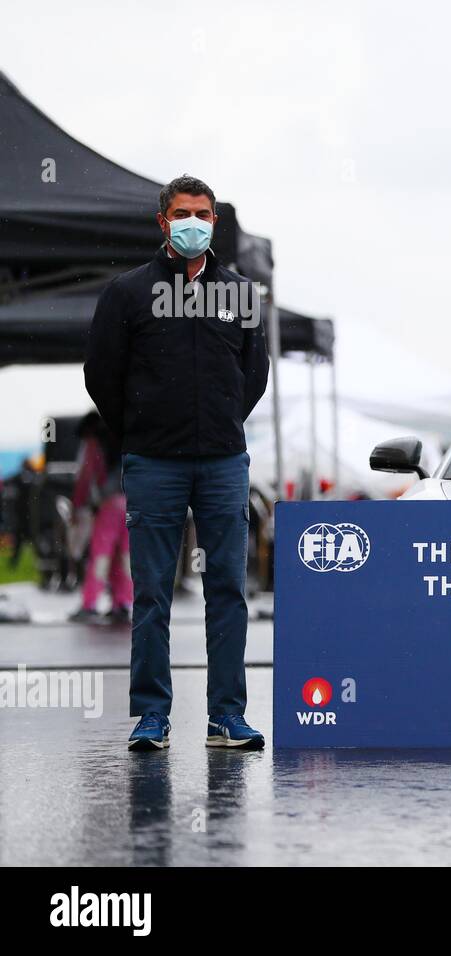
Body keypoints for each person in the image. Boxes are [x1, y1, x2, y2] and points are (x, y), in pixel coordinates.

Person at [84, 175, 269, 752]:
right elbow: (102, 376)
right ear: (163, 221)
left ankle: (226, 717)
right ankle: (151, 716)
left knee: (228, 591)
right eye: (185, 213)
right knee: (152, 593)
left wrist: (220, 423)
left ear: (215, 221)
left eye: (205, 213)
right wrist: (141, 431)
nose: (196, 222)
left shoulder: (241, 293)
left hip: (222, 463)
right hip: (154, 463)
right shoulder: (127, 294)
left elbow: (254, 375)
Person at [68, 412, 132, 624]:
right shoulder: (122, 439)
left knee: (100, 555)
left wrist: (77, 507)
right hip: (130, 501)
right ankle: (122, 603)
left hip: (109, 504)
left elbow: (85, 478)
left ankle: (90, 604)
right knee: (123, 556)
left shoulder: (94, 444)